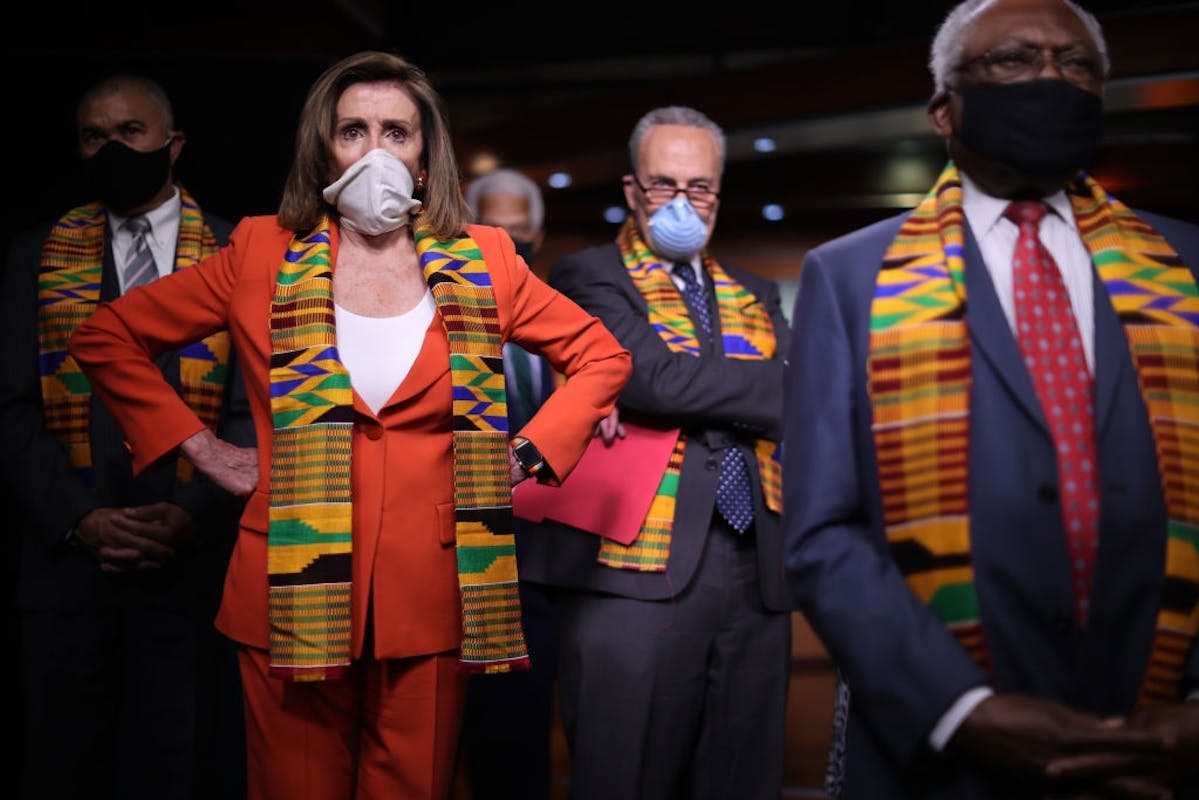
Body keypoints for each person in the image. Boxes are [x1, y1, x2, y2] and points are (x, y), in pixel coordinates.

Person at [69, 50, 632, 800]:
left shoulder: (486, 258)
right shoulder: (260, 251)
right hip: (288, 582)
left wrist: (527, 453)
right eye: (352, 131)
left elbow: (601, 356)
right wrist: (202, 449)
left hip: (434, 590)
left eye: (396, 132)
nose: (374, 151)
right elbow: (107, 335)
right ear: (322, 149)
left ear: (425, 159)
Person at [783, 1, 1199, 798]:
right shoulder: (849, 276)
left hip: (1161, 741)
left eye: (1075, 64)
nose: (1050, 77)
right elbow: (822, 533)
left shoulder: (1183, 264)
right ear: (944, 110)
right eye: (1014, 59)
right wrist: (959, 709)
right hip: (942, 749)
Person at [520, 105, 793, 800]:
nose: (681, 201)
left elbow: (798, 397)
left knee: (742, 778)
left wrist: (699, 385)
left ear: (717, 193)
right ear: (632, 190)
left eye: (698, 186)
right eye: (663, 184)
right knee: (624, 774)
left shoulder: (756, 292)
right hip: (629, 569)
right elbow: (650, 377)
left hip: (756, 566)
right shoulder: (590, 275)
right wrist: (773, 383)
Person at [0, 74, 252, 800]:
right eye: (93, 137)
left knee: (181, 766)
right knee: (63, 768)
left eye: (130, 132)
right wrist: (81, 519)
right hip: (69, 570)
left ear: (173, 145)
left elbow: (254, 409)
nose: (111, 148)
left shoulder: (238, 250)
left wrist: (191, 514)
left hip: (193, 566)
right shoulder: (36, 253)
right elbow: (12, 406)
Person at [460, 167, 560, 799]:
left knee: (523, 745)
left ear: (538, 237)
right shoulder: (436, 311)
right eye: (492, 229)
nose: (507, 243)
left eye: (518, 232)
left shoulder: (558, 320)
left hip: (539, 568)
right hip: (456, 561)